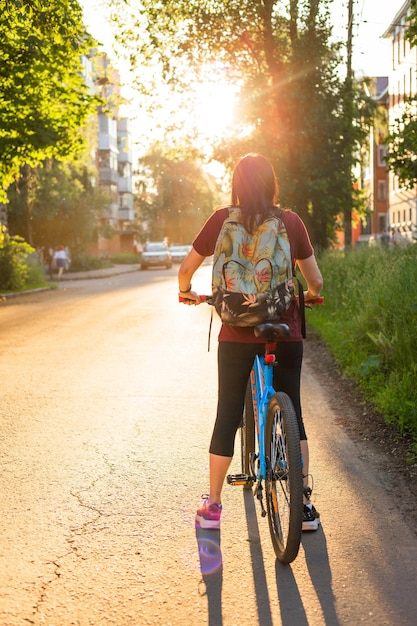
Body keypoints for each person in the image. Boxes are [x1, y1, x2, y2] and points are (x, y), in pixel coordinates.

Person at [178, 153, 323, 531]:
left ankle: (212, 509)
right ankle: (303, 506)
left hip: (236, 333)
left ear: (236, 185)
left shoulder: (221, 219)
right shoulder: (290, 222)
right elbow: (316, 281)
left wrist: (186, 291)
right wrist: (306, 295)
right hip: (282, 330)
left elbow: (185, 270)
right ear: (273, 184)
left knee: (227, 414)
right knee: (295, 412)